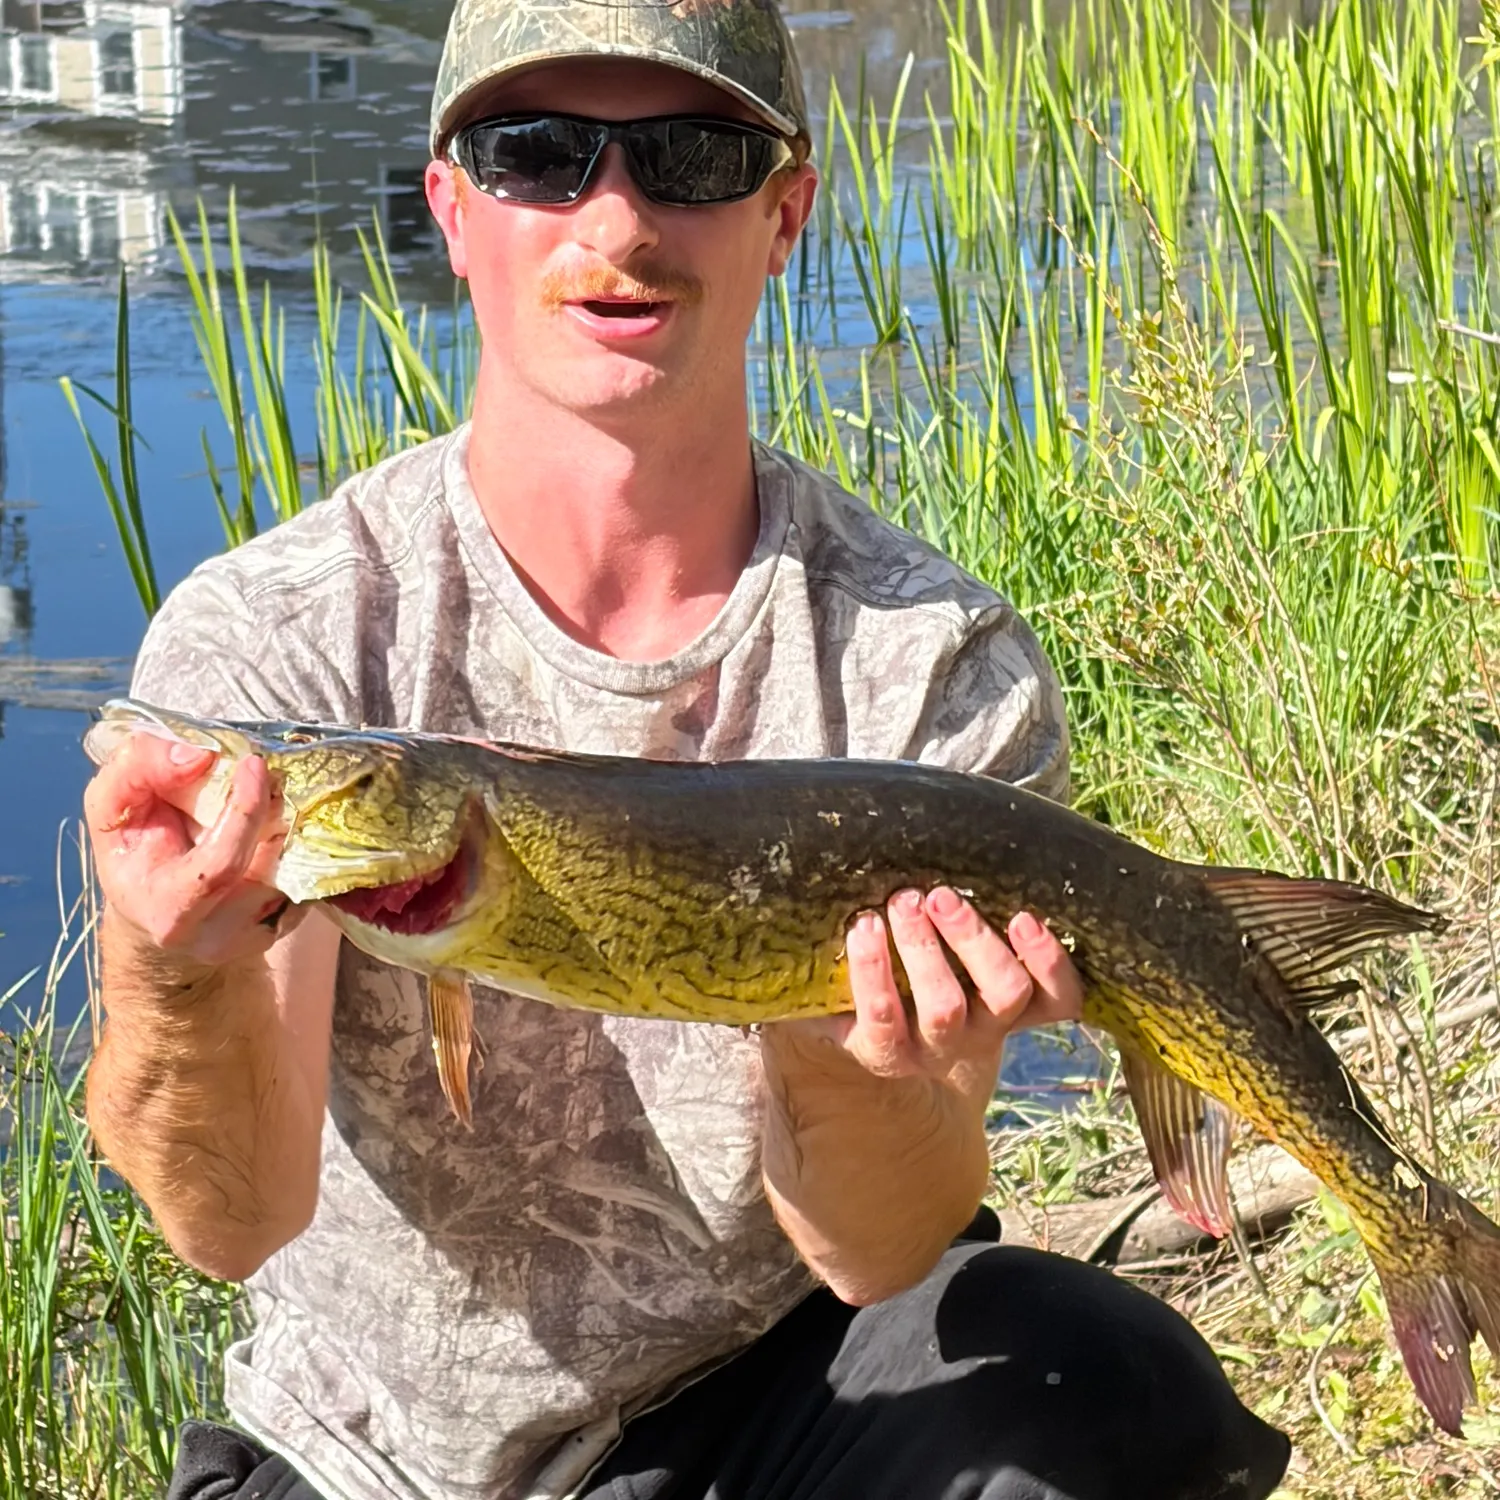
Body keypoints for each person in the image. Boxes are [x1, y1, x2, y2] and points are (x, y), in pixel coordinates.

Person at [81, 2, 1293, 1497]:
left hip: (768, 1385)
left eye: (692, 157)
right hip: (363, 1459)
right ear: (451, 209)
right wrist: (170, 966)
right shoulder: (279, 638)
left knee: (1117, 1394)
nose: (618, 215)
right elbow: (231, 1222)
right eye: (538, 153)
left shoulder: (932, 662)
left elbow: (879, 1247)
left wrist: (841, 1036)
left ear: (784, 214)